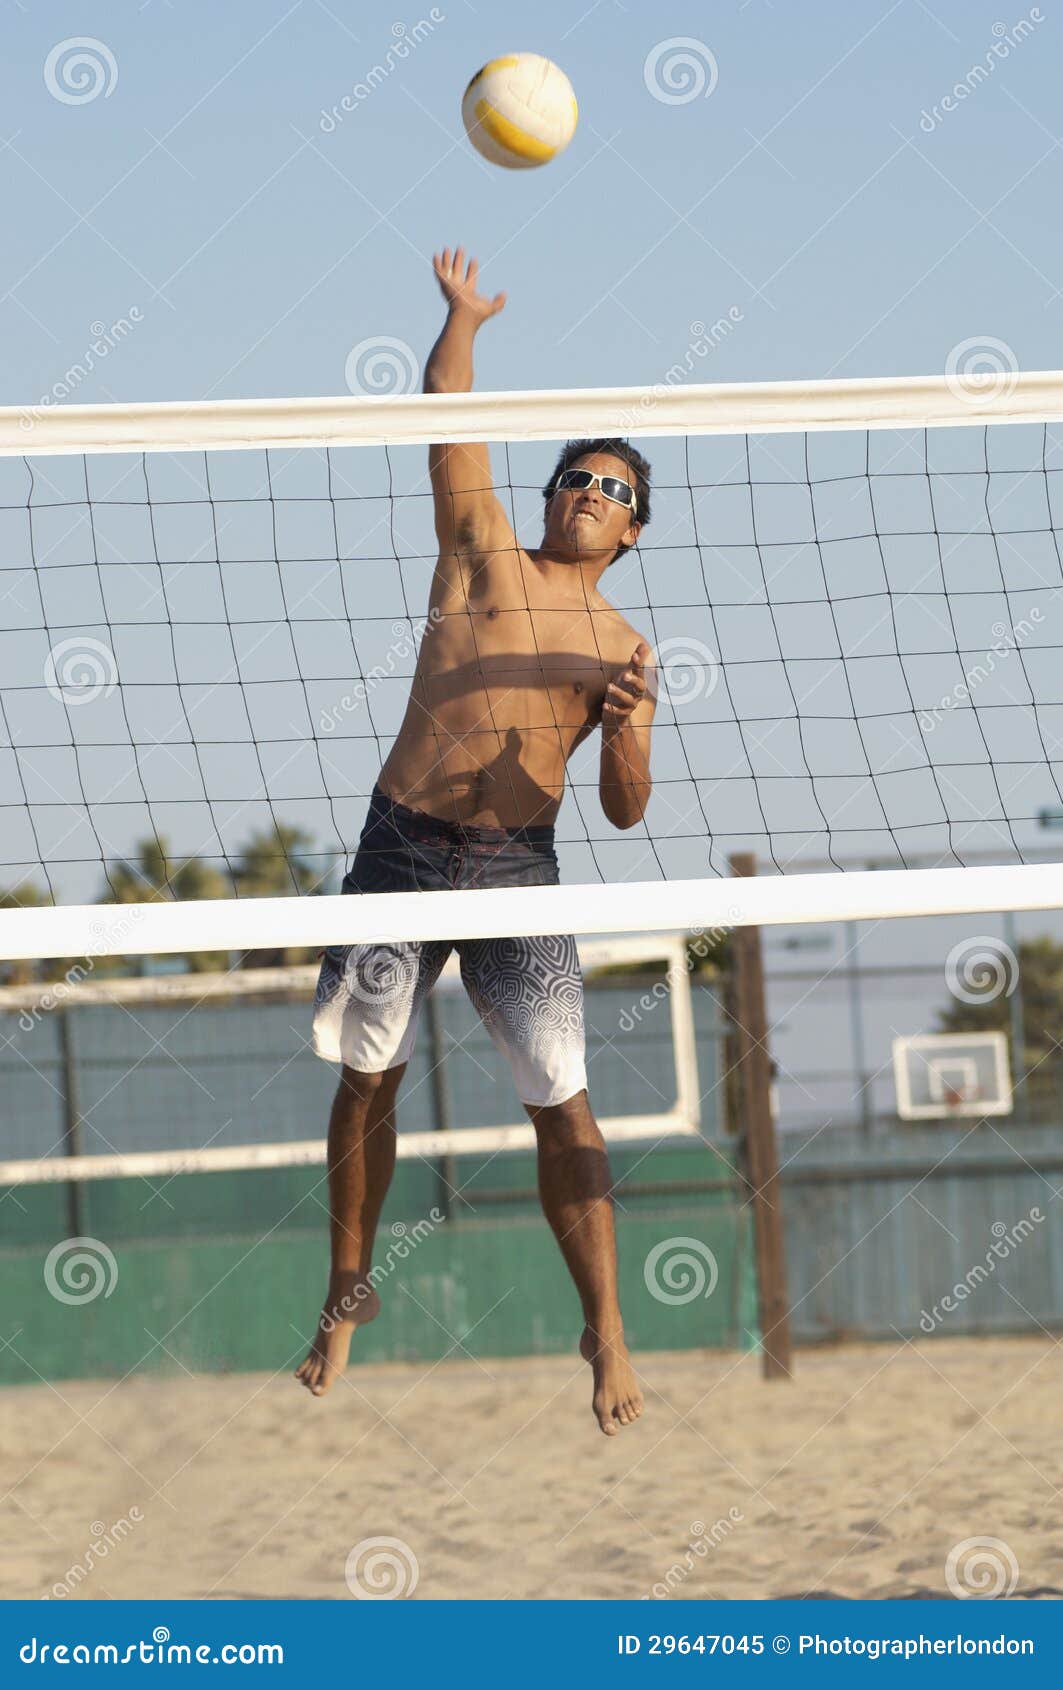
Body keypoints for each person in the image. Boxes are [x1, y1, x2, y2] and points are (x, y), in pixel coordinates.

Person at [297, 247, 656, 1435]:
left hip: (515, 867)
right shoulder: (484, 553)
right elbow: (449, 414)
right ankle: (348, 1290)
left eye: (608, 489)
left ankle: (602, 1327)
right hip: (401, 847)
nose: (584, 494)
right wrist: (461, 320)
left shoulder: (621, 647)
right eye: (573, 477)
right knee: (366, 1081)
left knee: (565, 1104)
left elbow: (624, 809)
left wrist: (630, 729)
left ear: (632, 530)